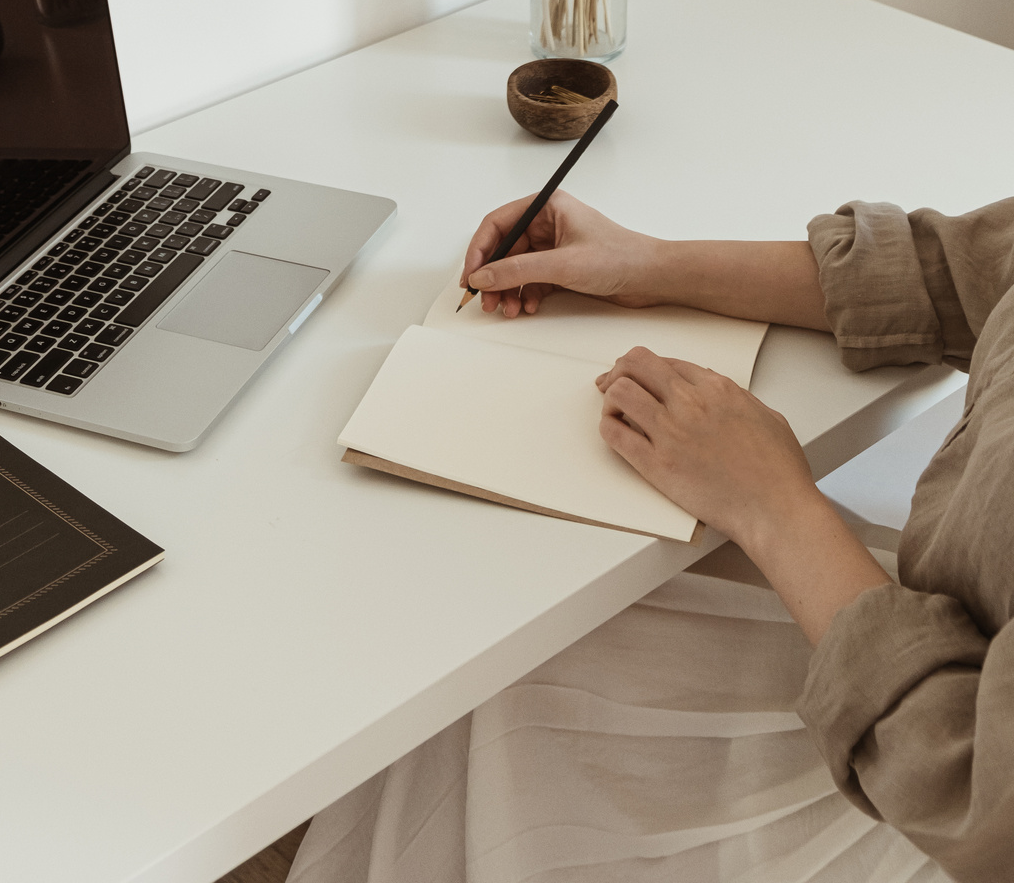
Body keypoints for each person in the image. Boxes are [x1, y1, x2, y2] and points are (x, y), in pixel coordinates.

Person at [289, 191, 1014, 883]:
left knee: (500, 641)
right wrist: (645, 264)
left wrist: (775, 507)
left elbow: (976, 794)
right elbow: (959, 273)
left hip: (918, 806)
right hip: (925, 622)